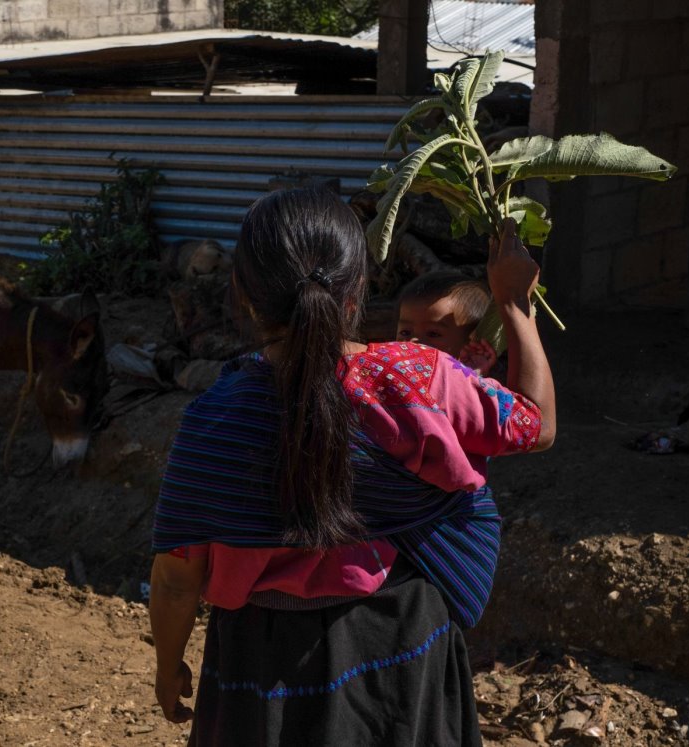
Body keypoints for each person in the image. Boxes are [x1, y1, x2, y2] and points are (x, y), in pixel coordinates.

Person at [148, 186, 555, 746]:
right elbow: (536, 425)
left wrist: (168, 671)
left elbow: (175, 579)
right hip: (401, 644)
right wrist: (513, 304)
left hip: (260, 658)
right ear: (357, 288)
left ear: (243, 293)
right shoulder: (423, 378)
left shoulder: (214, 421)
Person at [395, 269, 499, 376]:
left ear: (471, 346)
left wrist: (471, 374)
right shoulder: (389, 373)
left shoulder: (464, 383)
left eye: (433, 334)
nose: (412, 342)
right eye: (405, 332)